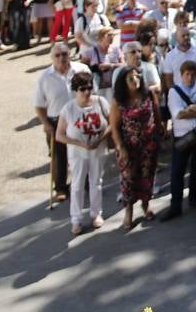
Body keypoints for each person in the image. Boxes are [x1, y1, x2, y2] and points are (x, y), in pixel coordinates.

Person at [33, 42, 92, 200]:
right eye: (57, 55)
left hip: (80, 117)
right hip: (56, 120)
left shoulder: (82, 70)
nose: (61, 58)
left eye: (64, 54)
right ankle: (60, 188)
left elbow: (93, 92)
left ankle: (87, 183)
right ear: (52, 58)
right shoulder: (44, 77)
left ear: (69, 54)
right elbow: (39, 104)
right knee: (59, 156)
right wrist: (45, 124)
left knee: (83, 151)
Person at [56, 72, 109, 234]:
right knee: (77, 184)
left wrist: (100, 140)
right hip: (78, 153)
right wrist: (79, 143)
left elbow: (111, 123)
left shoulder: (101, 102)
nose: (86, 92)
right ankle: (76, 219)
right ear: (75, 90)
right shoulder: (68, 108)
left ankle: (96, 213)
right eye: (82, 89)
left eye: (89, 88)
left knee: (96, 182)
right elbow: (59, 135)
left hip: (98, 150)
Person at [162, 60, 196, 221]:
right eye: (187, 74)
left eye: (193, 74)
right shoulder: (174, 91)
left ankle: (194, 199)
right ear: (181, 75)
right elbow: (178, 114)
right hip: (183, 135)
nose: (190, 78)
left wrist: (191, 109)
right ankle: (175, 206)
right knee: (178, 170)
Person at [113, 64, 161, 227]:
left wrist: (159, 133)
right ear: (123, 81)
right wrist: (121, 147)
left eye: (137, 76)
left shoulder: (148, 94)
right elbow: (115, 127)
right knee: (128, 180)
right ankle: (129, 210)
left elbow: (156, 114)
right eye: (130, 78)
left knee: (147, 176)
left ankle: (146, 205)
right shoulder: (119, 100)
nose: (135, 80)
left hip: (149, 144)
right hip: (128, 146)